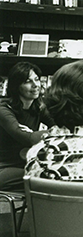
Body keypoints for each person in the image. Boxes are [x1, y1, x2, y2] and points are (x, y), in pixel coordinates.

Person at [0, 62, 54, 191]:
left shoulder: (39, 107)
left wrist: (37, 134)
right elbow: (25, 137)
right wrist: (36, 135)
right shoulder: (3, 109)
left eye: (37, 79)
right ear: (16, 86)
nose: (35, 85)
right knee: (48, 178)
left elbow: (61, 128)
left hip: (28, 164)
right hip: (4, 168)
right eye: (27, 81)